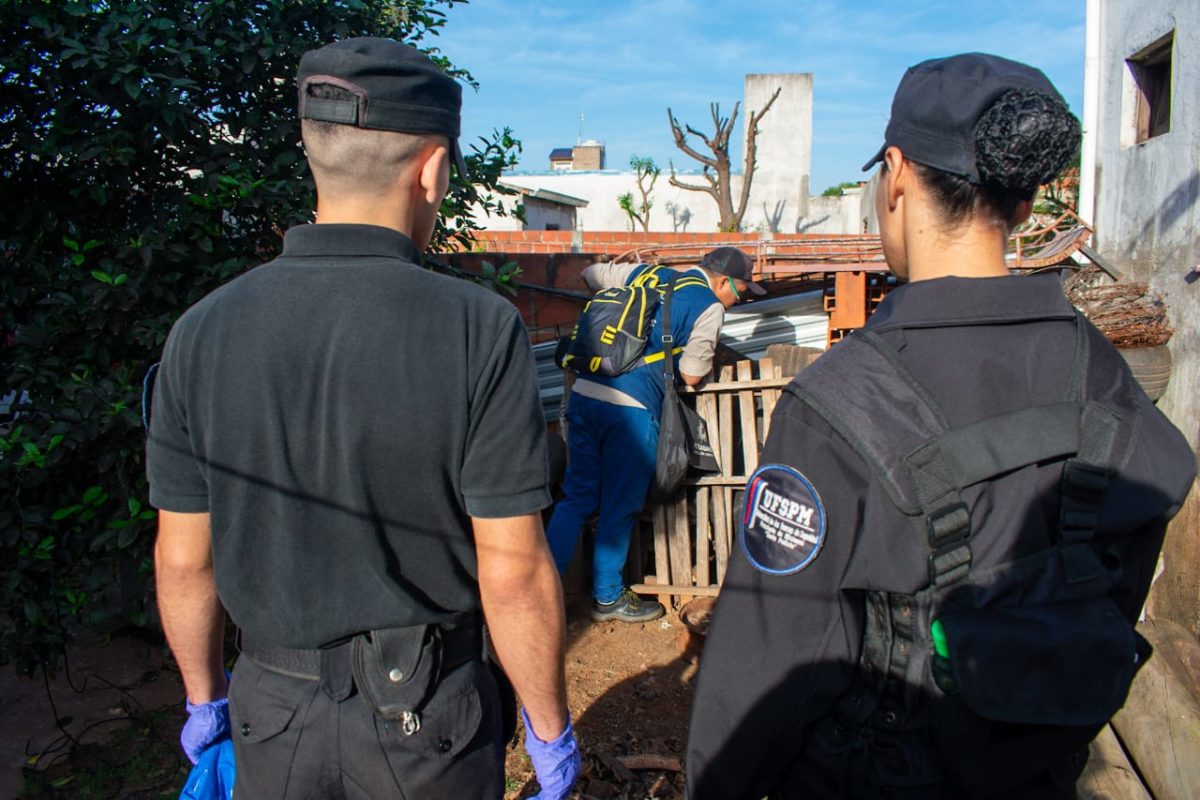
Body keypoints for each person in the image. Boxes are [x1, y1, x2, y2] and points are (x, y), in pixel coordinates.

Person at [686, 53, 1196, 799]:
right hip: (1034, 772)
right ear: (1023, 206)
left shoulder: (838, 402)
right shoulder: (1104, 375)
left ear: (895, 174)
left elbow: (765, 658)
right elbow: (1125, 561)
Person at [147, 37, 579, 799]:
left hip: (268, 715)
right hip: (428, 728)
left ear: (314, 154)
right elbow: (511, 570)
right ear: (434, 168)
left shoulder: (201, 330)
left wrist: (204, 699)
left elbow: (184, 559)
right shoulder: (478, 328)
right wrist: (550, 732)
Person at [547, 247, 764, 622]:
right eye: (742, 290)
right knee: (619, 502)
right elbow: (693, 373)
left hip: (584, 394)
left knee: (577, 497)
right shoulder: (708, 305)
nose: (739, 299)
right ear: (722, 280)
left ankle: (540, 591)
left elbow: (591, 274)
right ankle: (607, 597)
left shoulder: (647, 275)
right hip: (629, 410)